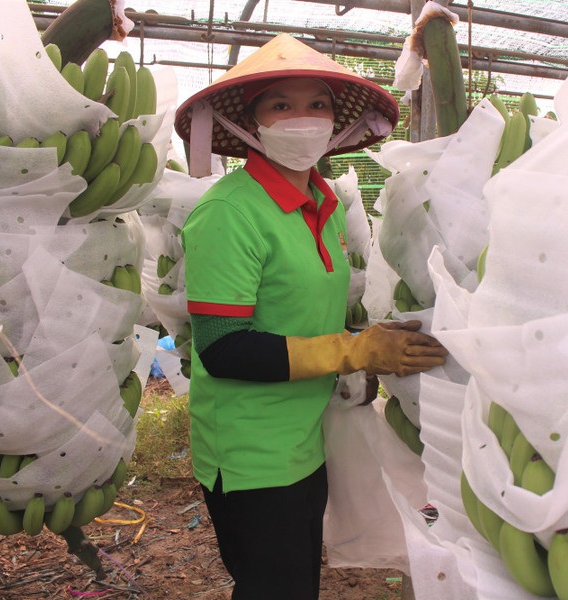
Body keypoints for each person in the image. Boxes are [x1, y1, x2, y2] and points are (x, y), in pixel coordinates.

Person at [173, 34, 449, 600]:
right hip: (252, 452)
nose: (302, 119)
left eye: (317, 105)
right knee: (277, 588)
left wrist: (366, 344)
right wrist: (355, 350)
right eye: (281, 104)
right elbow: (224, 348)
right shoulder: (229, 212)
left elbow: (296, 320)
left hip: (303, 434)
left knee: (295, 580)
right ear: (252, 124)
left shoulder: (320, 205)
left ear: (335, 123)